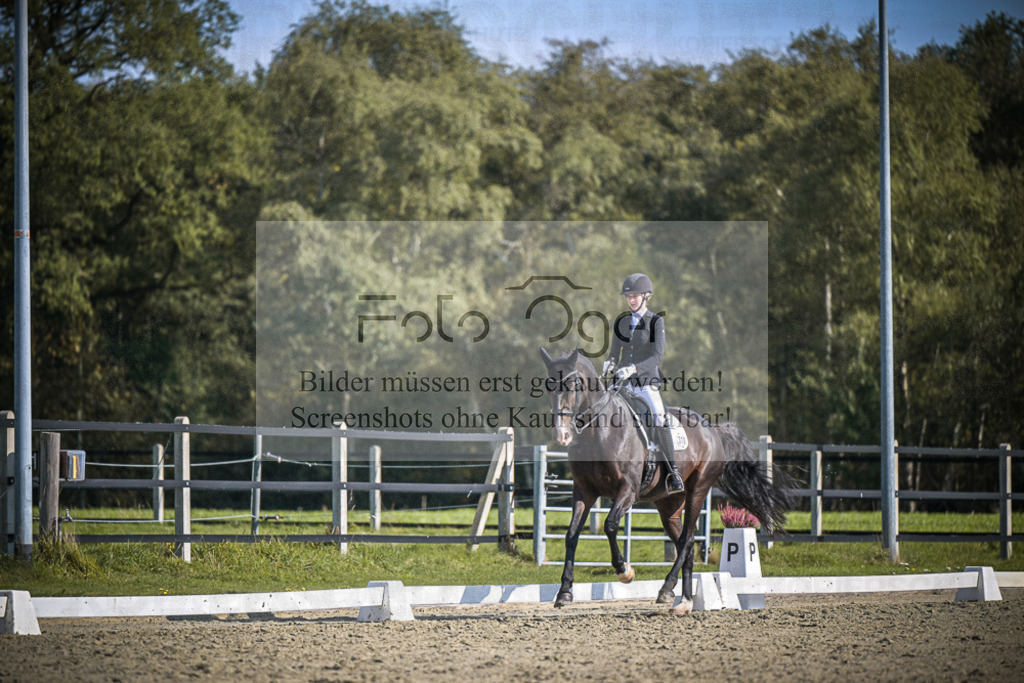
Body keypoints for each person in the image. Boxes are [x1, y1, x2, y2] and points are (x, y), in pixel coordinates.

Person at [602, 273, 684, 492]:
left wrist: (634, 368)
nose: (631, 299)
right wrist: (609, 363)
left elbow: (657, 356)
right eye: (628, 296)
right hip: (622, 382)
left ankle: (673, 472)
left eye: (635, 295)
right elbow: (614, 352)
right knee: (601, 408)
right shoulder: (622, 321)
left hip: (645, 382)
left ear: (646, 296)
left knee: (658, 416)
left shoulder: (656, 321)